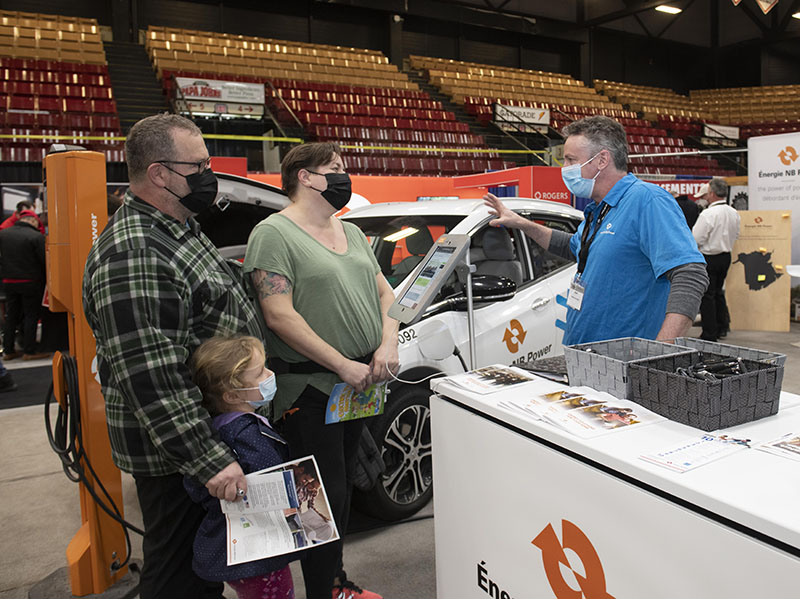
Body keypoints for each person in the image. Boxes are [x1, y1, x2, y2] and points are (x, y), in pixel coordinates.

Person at [83, 113, 263, 599]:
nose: (210, 175)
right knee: (179, 573)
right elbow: (153, 376)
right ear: (160, 173)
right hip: (176, 453)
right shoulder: (136, 251)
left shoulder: (178, 226)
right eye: (199, 165)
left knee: (202, 570)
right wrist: (209, 462)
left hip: (201, 435)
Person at [243, 141, 399, 599]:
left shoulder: (349, 232)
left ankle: (335, 581)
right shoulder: (272, 234)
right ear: (305, 177)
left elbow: (387, 296)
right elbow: (279, 315)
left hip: (359, 384)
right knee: (316, 498)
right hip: (309, 388)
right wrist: (341, 364)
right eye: (334, 168)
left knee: (343, 488)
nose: (343, 176)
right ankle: (322, 590)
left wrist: (386, 344)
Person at [484, 115, 708, 345]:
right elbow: (572, 247)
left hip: (624, 362)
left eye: (571, 160)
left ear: (602, 160)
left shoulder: (647, 200)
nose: (565, 168)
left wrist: (662, 349)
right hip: (586, 355)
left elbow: (690, 274)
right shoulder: (599, 209)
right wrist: (521, 223)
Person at [184, 335, 296, 599]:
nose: (270, 375)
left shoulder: (217, 427)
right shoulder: (247, 433)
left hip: (231, 548)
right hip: (258, 552)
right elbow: (270, 475)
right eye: (260, 373)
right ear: (232, 394)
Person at [692, 178, 740, 341]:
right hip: (726, 255)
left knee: (707, 295)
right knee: (718, 292)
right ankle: (722, 326)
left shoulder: (708, 214)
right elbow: (736, 234)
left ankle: (709, 333)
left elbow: (696, 238)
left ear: (711, 193)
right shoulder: (733, 212)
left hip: (709, 257)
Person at [0, 209, 49, 360]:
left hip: (8, 282)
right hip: (30, 282)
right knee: (31, 315)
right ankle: (29, 350)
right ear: (33, 221)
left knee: (11, 316)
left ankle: (8, 350)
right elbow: (44, 262)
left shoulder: (3, 234)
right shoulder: (36, 236)